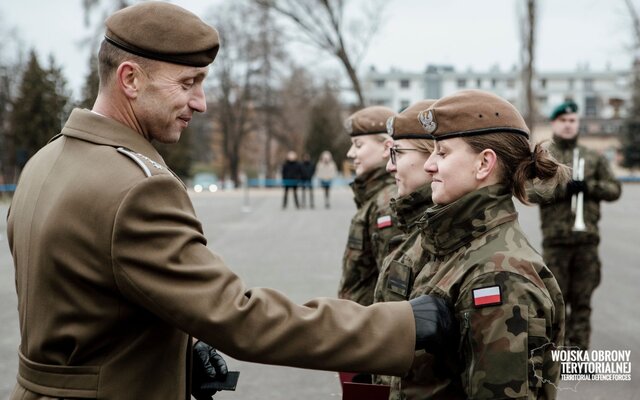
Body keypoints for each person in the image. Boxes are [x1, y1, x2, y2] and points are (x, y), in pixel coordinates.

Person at [5, 3, 454, 399]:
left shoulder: (47, 160)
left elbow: (87, 309)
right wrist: (401, 325)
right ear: (130, 79)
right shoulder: (137, 188)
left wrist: (176, 356)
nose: (200, 103)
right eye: (188, 83)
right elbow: (239, 317)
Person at [394, 90, 568, 399]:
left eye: (443, 153)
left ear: (484, 164)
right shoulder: (455, 245)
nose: (429, 165)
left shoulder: (500, 277)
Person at [528, 100, 622, 350]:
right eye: (563, 121)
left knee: (582, 301)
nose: (568, 125)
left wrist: (589, 188)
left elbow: (615, 189)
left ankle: (578, 355)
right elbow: (528, 192)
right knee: (555, 301)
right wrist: (561, 189)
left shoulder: (592, 157)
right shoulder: (544, 158)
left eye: (573, 121)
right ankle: (557, 355)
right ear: (554, 124)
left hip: (586, 240)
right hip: (555, 241)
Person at [370, 99, 436, 388]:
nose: (389, 166)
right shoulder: (417, 229)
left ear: (432, 156)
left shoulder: (440, 239)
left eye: (397, 153)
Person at [339, 106, 403, 306]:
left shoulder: (386, 204)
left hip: (370, 322)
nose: (351, 153)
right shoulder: (374, 197)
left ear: (386, 148)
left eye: (358, 145)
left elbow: (391, 284)